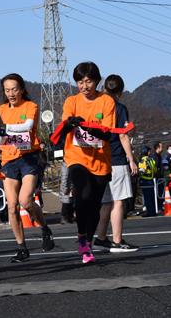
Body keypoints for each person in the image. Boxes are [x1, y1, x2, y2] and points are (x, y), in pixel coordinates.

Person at [59, 62, 116, 264]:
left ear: (97, 81)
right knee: (83, 195)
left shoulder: (107, 101)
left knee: (94, 206)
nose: (85, 85)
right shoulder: (71, 101)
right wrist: (70, 123)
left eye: (89, 81)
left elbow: (109, 133)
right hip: (76, 157)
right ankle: (82, 237)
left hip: (100, 160)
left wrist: (95, 130)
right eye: (80, 81)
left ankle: (87, 241)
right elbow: (64, 124)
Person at [0, 73, 54, 262]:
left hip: (29, 157)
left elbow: (27, 126)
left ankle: (45, 228)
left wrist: (5, 128)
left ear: (22, 89)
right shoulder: (0, 110)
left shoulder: (31, 106)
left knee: (25, 201)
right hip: (9, 160)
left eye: (14, 89)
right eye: (7, 90)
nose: (11, 93)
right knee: (12, 206)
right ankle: (22, 248)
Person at [93, 75, 139, 252]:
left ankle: (101, 237)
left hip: (100, 159)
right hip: (117, 159)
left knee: (106, 202)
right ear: (120, 91)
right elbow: (123, 135)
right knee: (118, 201)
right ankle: (117, 241)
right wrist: (131, 158)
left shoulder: (97, 105)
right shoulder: (118, 108)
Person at [138, 146, 157, 217]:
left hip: (145, 180)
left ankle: (149, 212)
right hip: (151, 180)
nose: (150, 152)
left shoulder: (143, 160)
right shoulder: (152, 160)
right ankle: (153, 211)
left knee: (147, 198)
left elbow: (142, 171)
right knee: (152, 197)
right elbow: (155, 170)